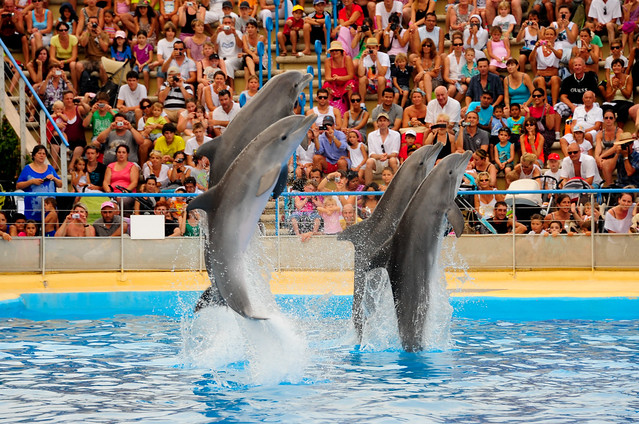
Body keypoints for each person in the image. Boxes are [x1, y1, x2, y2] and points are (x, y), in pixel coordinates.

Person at [74, 15, 109, 89]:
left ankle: (104, 87)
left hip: (101, 59)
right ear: (88, 24)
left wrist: (99, 36)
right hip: (89, 60)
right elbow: (83, 44)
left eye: (95, 23)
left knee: (103, 66)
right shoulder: (85, 33)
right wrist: (88, 32)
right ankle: (81, 87)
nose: (93, 24)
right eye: (91, 23)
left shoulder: (104, 34)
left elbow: (105, 48)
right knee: (78, 65)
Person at [365, 112, 400, 185]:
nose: (382, 122)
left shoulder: (396, 134)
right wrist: (380, 156)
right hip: (377, 161)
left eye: (384, 120)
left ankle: (397, 185)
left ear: (388, 122)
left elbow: (395, 153)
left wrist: (386, 156)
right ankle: (368, 187)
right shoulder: (371, 135)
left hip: (389, 161)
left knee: (393, 160)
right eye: (380, 121)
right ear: (377, 123)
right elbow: (371, 154)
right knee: (369, 162)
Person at [531, 27, 562, 107]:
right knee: (540, 79)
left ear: (555, 36)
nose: (549, 36)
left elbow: (559, 56)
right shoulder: (539, 46)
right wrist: (535, 48)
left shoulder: (558, 45)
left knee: (555, 79)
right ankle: (545, 105)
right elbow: (531, 59)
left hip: (553, 75)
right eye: (547, 34)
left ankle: (554, 105)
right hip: (540, 75)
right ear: (544, 35)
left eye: (551, 34)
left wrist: (551, 47)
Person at [323, 41, 357, 114]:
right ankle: (328, 108)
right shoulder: (328, 61)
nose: (334, 52)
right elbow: (327, 77)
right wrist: (334, 79)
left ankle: (352, 108)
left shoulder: (347, 59)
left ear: (341, 51)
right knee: (327, 85)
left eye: (337, 50)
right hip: (334, 84)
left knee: (350, 84)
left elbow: (351, 75)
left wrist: (339, 78)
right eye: (332, 50)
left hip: (346, 83)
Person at [357, 37, 391, 104]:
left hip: (384, 82)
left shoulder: (384, 56)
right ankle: (362, 104)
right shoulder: (365, 57)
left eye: (373, 48)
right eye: (369, 48)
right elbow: (360, 74)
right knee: (362, 79)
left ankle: (379, 104)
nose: (371, 50)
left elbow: (382, 74)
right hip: (371, 82)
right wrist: (361, 58)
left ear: (377, 48)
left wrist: (376, 59)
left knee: (381, 79)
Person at [213, 15, 243, 85]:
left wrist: (234, 33)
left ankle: (231, 86)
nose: (227, 25)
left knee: (226, 63)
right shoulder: (220, 34)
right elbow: (212, 42)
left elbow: (240, 45)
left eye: (229, 23)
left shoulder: (238, 33)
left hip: (235, 59)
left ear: (232, 24)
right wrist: (217, 32)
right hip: (221, 59)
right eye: (225, 23)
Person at [602, 59, 633, 125]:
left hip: (626, 101)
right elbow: (608, 98)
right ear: (612, 68)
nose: (616, 67)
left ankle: (619, 129)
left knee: (623, 109)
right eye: (614, 66)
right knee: (603, 108)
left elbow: (628, 95)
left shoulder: (628, 78)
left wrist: (620, 86)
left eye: (618, 66)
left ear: (622, 68)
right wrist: (615, 89)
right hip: (615, 102)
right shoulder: (610, 80)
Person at [443, 32, 467, 101]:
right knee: (452, 89)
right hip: (451, 81)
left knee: (463, 88)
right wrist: (451, 81)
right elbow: (445, 76)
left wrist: (465, 79)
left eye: (460, 44)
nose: (458, 46)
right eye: (456, 44)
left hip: (462, 81)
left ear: (462, 45)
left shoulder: (466, 57)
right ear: (453, 46)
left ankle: (454, 105)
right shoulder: (448, 58)